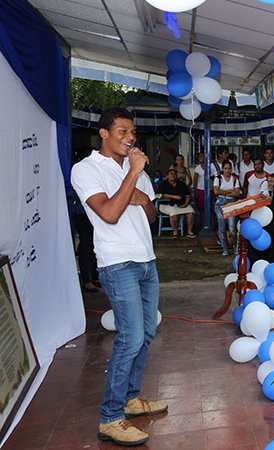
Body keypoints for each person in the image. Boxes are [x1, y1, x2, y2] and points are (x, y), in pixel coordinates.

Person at [71, 107, 166, 446]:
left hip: (146, 261)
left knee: (147, 333)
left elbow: (151, 214)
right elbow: (109, 213)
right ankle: (111, 417)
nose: (130, 137)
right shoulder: (85, 170)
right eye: (123, 131)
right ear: (104, 134)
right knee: (130, 337)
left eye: (133, 132)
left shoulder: (135, 168)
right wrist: (133, 177)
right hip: (117, 263)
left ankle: (131, 398)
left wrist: (141, 196)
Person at [157, 169, 196, 237]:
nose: (173, 175)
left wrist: (185, 204)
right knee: (173, 213)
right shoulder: (163, 184)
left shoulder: (181, 184)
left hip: (181, 204)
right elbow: (158, 195)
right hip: (166, 205)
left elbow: (188, 196)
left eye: (175, 174)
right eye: (171, 174)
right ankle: (175, 231)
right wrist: (173, 196)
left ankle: (189, 231)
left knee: (191, 212)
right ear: (167, 176)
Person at [213, 161, 241, 255]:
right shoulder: (218, 178)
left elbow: (237, 193)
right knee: (222, 227)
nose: (227, 170)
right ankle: (224, 248)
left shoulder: (234, 179)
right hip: (219, 204)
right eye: (225, 168)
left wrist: (223, 191)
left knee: (232, 228)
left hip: (231, 204)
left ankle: (235, 247)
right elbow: (216, 192)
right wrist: (229, 191)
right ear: (222, 169)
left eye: (229, 168)